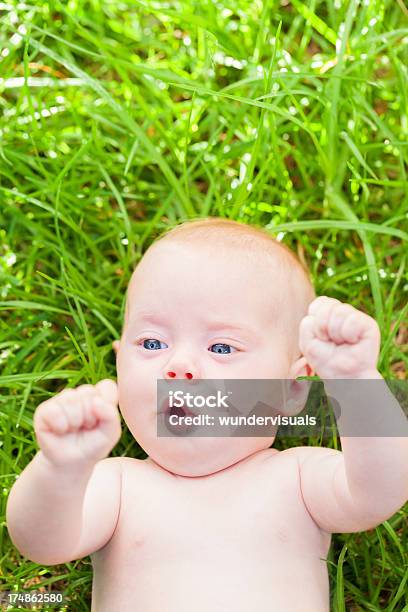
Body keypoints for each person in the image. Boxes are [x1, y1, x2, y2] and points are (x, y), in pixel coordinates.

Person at [6, 218, 408, 611]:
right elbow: (40, 543)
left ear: (293, 389)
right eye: (151, 342)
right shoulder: (118, 486)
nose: (179, 366)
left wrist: (355, 381)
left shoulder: (297, 479)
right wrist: (61, 469)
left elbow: (381, 490)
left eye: (221, 348)